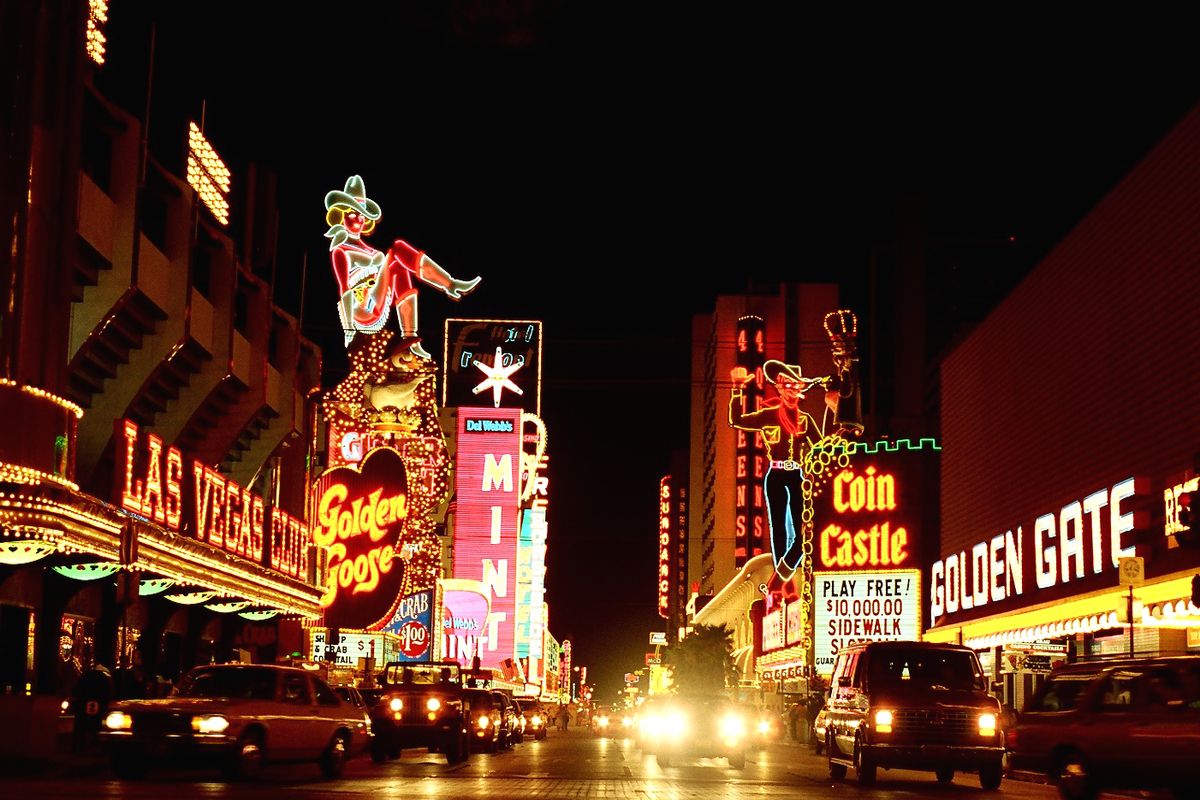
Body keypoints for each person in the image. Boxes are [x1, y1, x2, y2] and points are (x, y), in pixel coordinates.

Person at [324, 175, 481, 358]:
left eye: (361, 215)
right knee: (398, 248)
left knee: (400, 269)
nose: (358, 220)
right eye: (352, 214)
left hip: (378, 299)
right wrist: (348, 330)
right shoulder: (340, 251)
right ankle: (451, 284)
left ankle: (410, 338)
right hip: (363, 308)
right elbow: (344, 290)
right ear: (341, 216)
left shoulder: (368, 249)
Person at [729, 359, 837, 579]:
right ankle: (782, 576)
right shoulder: (768, 415)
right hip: (776, 475)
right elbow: (737, 419)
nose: (790, 389)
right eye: (785, 384)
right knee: (778, 527)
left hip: (798, 475)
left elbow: (822, 446)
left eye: (794, 384)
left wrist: (835, 408)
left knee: (801, 529)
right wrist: (737, 389)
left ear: (800, 388)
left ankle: (785, 570)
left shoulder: (805, 420)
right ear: (778, 387)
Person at [71, 662, 113, 754]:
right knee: (96, 728)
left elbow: (77, 690)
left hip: (83, 704)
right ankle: (94, 747)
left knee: (80, 728)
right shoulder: (104, 679)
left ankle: (77, 748)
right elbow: (107, 693)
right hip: (97, 705)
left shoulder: (85, 677)